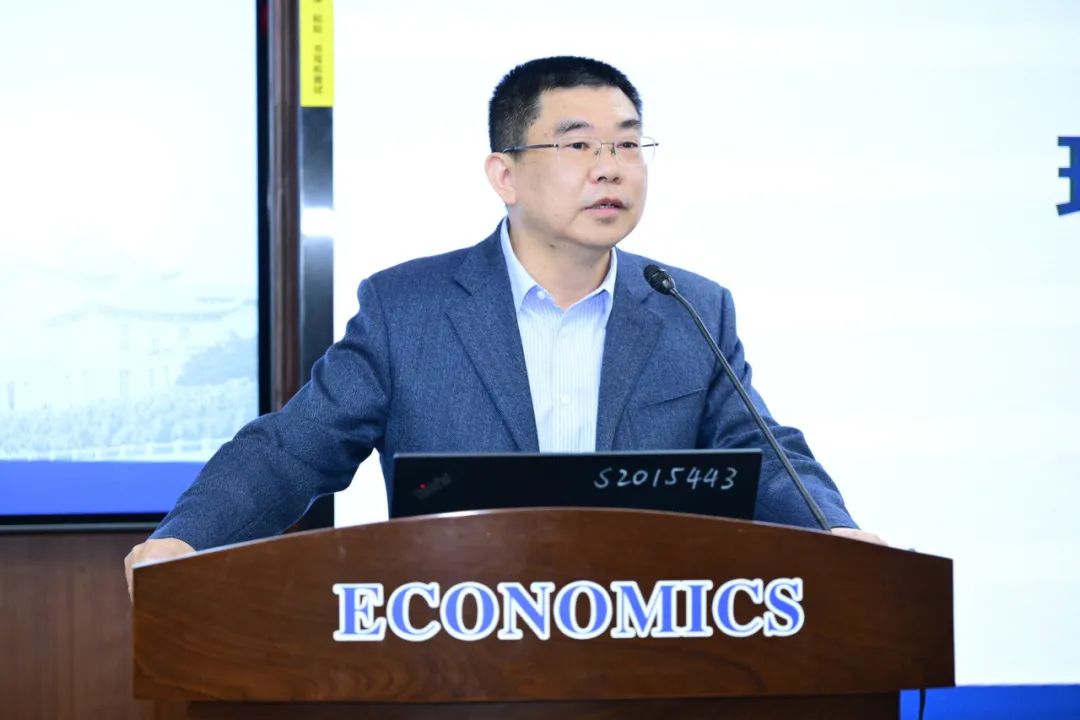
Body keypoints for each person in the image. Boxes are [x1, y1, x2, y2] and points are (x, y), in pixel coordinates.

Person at [125, 56, 883, 597]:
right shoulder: (408, 309)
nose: (611, 166)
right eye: (578, 144)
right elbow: (294, 449)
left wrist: (839, 536)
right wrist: (185, 539)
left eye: (628, 143)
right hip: (456, 651)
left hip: (645, 653)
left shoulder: (689, 307)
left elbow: (761, 448)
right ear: (505, 174)